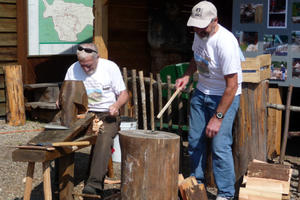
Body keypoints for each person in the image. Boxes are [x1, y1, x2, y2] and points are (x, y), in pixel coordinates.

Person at [175, 1, 242, 200]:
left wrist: (218, 117)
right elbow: (197, 57)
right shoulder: (199, 33)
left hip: (223, 97)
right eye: (195, 25)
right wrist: (188, 75)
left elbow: (232, 86)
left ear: (215, 21)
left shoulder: (226, 43)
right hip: (201, 93)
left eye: (202, 25)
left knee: (220, 146)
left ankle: (226, 194)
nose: (198, 29)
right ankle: (197, 185)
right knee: (195, 142)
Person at [64, 43, 129, 196]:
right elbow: (66, 92)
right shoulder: (73, 69)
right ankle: (61, 183)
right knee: (63, 135)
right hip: (82, 113)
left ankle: (93, 185)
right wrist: (61, 100)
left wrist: (116, 105)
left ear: (97, 58)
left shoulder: (110, 67)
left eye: (88, 65)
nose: (85, 69)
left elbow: (124, 94)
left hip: (106, 114)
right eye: (82, 65)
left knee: (104, 138)